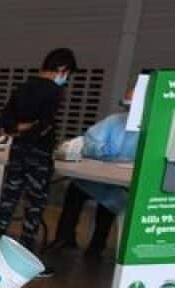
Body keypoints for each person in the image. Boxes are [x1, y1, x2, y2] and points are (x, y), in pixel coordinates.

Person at [0, 47, 77, 276]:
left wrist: (18, 128)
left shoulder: (23, 87)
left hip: (17, 151)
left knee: (7, 202)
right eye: (67, 74)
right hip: (39, 154)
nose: (66, 79)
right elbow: (44, 126)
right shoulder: (54, 92)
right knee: (34, 206)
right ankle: (26, 259)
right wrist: (30, 127)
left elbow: (3, 123)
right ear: (62, 69)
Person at [53, 85, 140, 257]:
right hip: (96, 177)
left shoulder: (153, 127)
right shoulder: (114, 121)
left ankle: (97, 245)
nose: (128, 110)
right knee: (75, 190)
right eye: (126, 105)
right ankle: (64, 237)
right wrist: (100, 149)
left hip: (121, 183)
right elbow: (90, 140)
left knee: (109, 202)